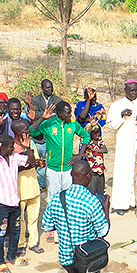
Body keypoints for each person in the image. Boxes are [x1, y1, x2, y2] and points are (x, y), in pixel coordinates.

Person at [41, 160, 110, 273]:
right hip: (87, 259)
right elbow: (103, 231)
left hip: (66, 257)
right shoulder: (92, 202)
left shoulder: (58, 197)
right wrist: (106, 209)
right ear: (89, 176)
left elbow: (46, 226)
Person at [31, 100, 90, 245]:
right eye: (67, 112)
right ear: (59, 114)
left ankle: (68, 227)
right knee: (54, 197)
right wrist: (42, 119)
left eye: (70, 112)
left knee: (68, 197)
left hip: (68, 169)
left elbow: (86, 136)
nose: (70, 114)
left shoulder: (72, 124)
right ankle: (53, 228)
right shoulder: (48, 124)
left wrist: (79, 154)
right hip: (53, 168)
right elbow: (31, 131)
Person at [0, 135, 35, 273]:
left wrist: (29, 148)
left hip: (14, 201)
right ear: (2, 148)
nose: (13, 148)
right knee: (1, 233)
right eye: (10, 146)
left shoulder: (15, 157)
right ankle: (0, 262)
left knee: (16, 230)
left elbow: (30, 162)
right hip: (1, 204)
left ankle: (12, 256)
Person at [108, 80, 137, 215]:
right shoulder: (117, 105)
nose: (134, 93)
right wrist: (121, 116)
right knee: (123, 173)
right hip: (125, 146)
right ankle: (122, 204)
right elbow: (112, 125)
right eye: (131, 91)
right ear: (125, 91)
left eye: (135, 90)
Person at [12, 120, 46, 256]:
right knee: (20, 219)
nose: (29, 131)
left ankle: (33, 243)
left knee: (33, 217)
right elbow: (15, 167)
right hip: (19, 189)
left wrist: (30, 153)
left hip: (33, 186)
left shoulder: (31, 144)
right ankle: (21, 244)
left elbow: (33, 162)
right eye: (26, 129)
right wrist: (31, 162)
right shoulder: (11, 146)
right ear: (19, 132)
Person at [32, 79, 64, 189]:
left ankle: (53, 184)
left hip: (53, 136)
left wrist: (45, 115)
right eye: (47, 87)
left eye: (51, 87)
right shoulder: (35, 100)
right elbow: (35, 114)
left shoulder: (58, 100)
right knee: (41, 162)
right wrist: (46, 115)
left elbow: (60, 114)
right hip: (40, 137)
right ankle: (41, 185)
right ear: (42, 88)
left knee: (53, 161)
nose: (50, 89)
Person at [83, 124, 108, 196]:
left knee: (100, 190)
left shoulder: (100, 141)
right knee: (92, 190)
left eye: (98, 132)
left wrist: (94, 150)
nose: (97, 135)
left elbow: (105, 150)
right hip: (92, 170)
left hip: (100, 169)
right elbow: (86, 135)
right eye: (95, 133)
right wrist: (91, 126)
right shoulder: (88, 142)